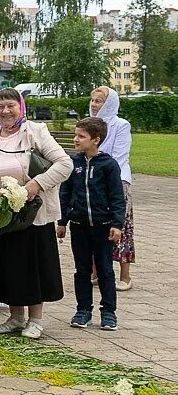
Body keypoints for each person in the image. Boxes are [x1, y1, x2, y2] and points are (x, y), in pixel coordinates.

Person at [0, 88, 71, 339]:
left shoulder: (36, 132)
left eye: (10, 105)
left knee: (31, 265)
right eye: (0, 106)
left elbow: (65, 164)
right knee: (8, 264)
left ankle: (35, 320)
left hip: (32, 214)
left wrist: (37, 184)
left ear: (20, 107)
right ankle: (15, 317)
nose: (5, 111)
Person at [58, 117, 126, 331]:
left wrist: (117, 224)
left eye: (81, 136)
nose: (76, 139)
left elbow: (117, 196)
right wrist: (62, 221)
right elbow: (65, 193)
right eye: (75, 135)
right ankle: (83, 310)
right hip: (78, 225)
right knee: (82, 269)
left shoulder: (109, 165)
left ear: (96, 140)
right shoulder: (74, 163)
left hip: (103, 226)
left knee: (105, 269)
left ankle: (108, 312)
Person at [89, 86, 134, 290]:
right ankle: (96, 272)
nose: (94, 104)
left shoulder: (121, 125)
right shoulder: (89, 125)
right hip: (93, 181)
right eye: (92, 101)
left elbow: (119, 155)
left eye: (99, 101)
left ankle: (125, 276)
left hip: (117, 182)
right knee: (94, 225)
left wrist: (101, 170)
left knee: (120, 226)